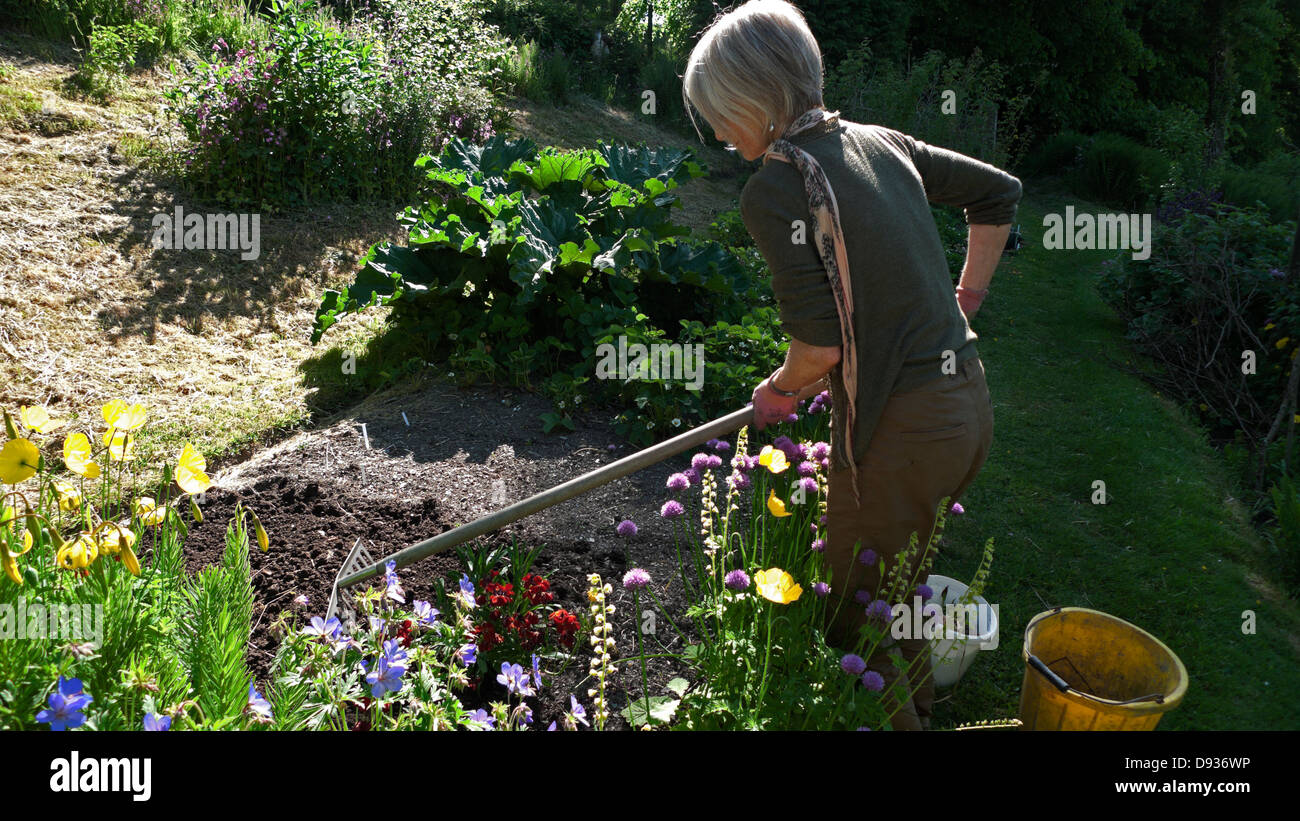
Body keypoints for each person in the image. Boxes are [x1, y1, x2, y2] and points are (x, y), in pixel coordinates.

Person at [682, 0, 1021, 730]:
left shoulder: (776, 188)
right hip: (966, 406)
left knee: (853, 614)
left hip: (902, 430)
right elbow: (999, 193)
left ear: (755, 97)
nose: (714, 131)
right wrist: (966, 297)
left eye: (717, 112)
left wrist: (776, 392)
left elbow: (819, 351)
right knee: (898, 590)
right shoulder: (879, 140)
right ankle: (920, 707)